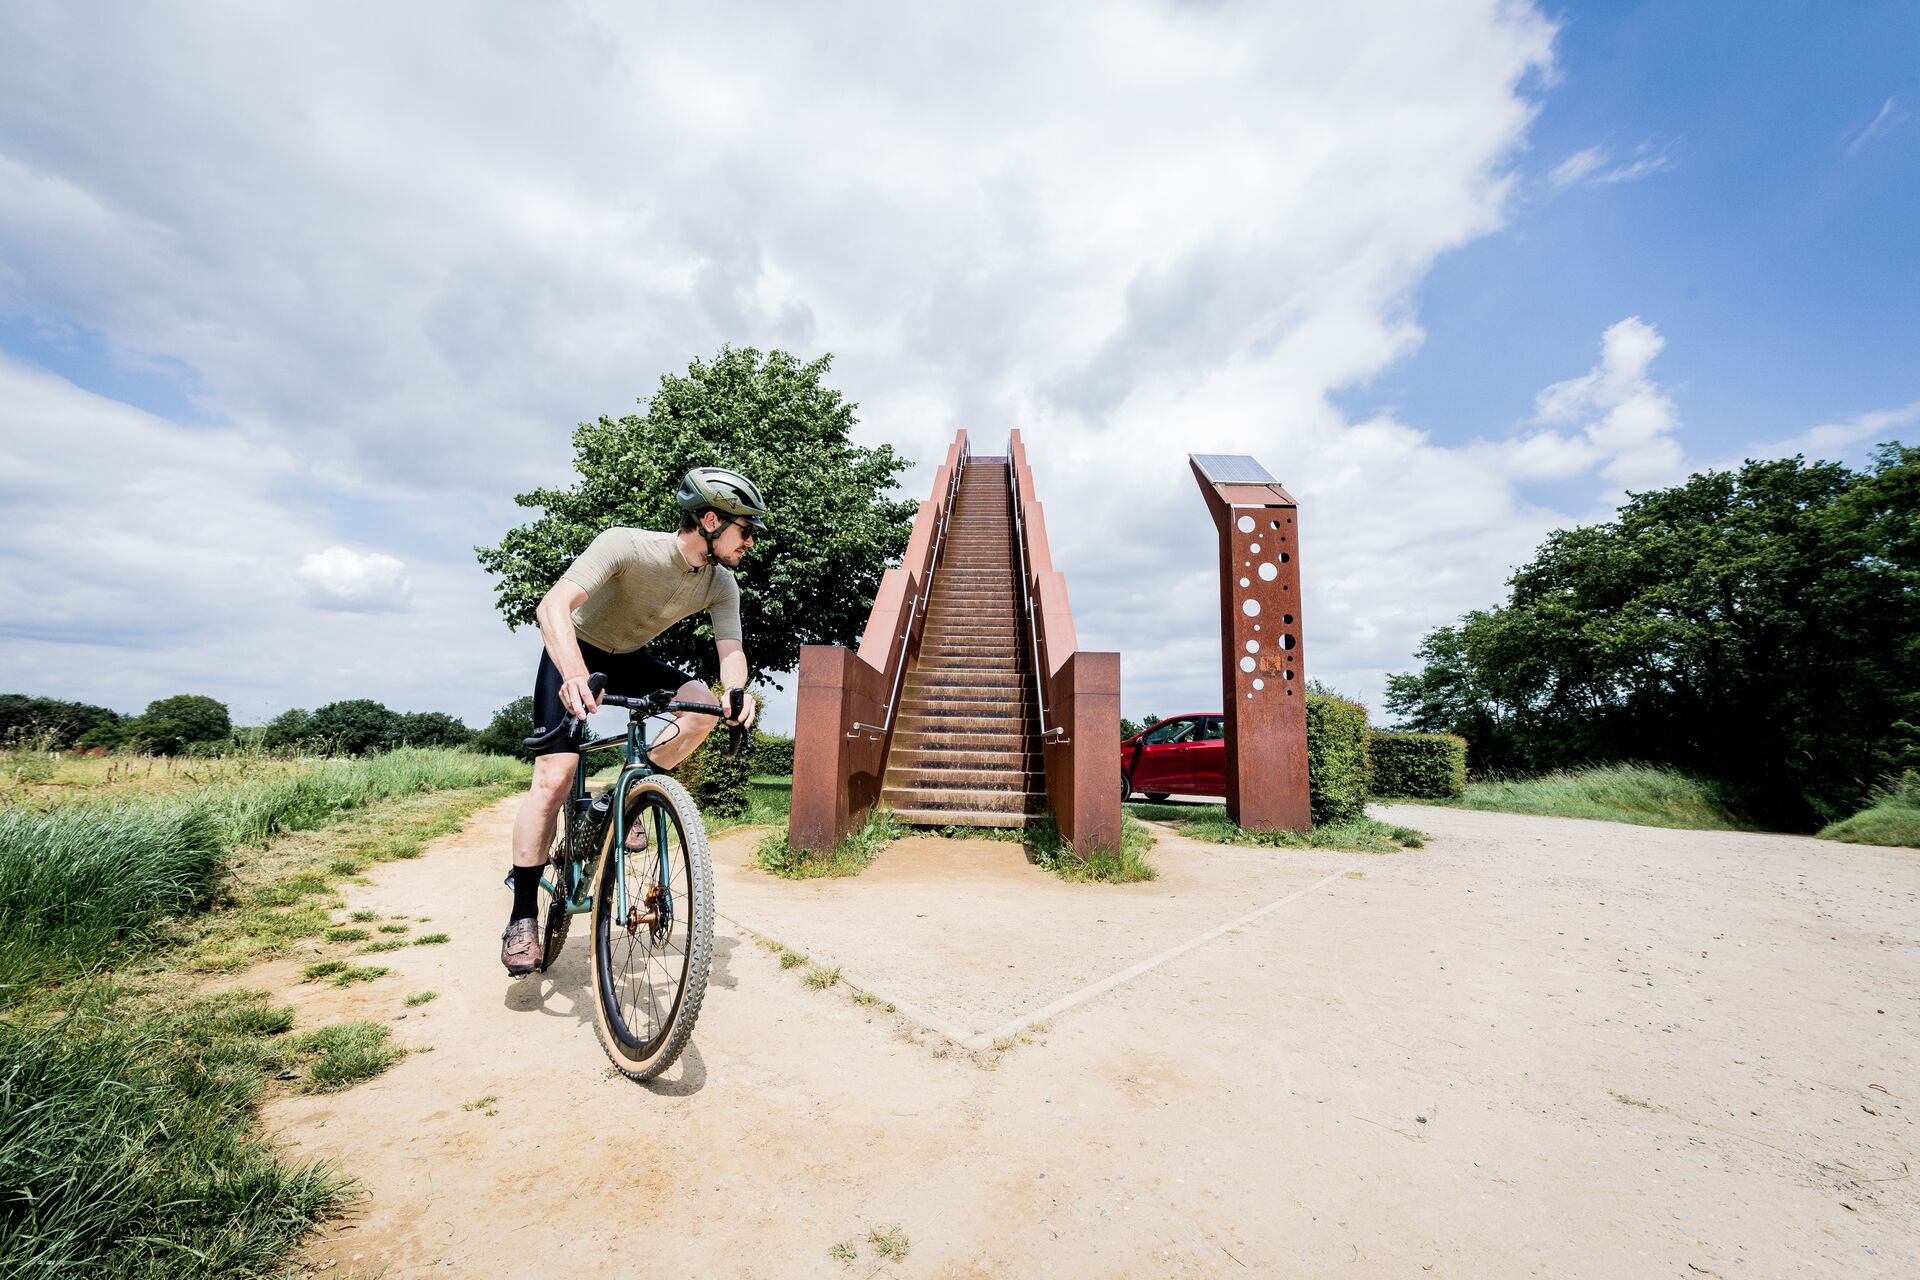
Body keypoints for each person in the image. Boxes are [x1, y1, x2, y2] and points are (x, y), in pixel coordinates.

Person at [500, 467, 766, 974]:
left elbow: (730, 649)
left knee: (697, 708)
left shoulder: (721, 584)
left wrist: (736, 690)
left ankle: (618, 798)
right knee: (553, 778)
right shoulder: (625, 545)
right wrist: (575, 675)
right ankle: (522, 917)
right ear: (710, 521)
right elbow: (552, 607)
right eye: (745, 529)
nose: (750, 541)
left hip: (630, 656)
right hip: (572, 650)